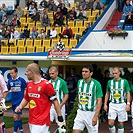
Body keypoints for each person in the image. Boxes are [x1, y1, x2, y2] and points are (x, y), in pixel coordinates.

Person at [15, 63, 65, 133]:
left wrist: (60, 116)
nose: (25, 73)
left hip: (42, 121)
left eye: (27, 71)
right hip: (32, 120)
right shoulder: (29, 84)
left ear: (32, 72)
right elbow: (26, 98)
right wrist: (20, 107)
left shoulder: (46, 85)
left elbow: (55, 101)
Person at [73, 64, 103, 133]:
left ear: (91, 73)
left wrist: (95, 116)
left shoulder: (96, 84)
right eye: (83, 71)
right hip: (80, 112)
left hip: (91, 113)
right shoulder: (79, 82)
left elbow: (99, 101)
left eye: (86, 71)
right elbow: (78, 96)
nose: (84, 73)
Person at [104, 67, 131, 133]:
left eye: (116, 73)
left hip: (122, 104)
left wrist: (128, 104)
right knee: (110, 123)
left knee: (120, 123)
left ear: (119, 73)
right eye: (113, 73)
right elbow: (107, 93)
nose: (114, 75)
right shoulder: (109, 82)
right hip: (112, 104)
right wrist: (105, 104)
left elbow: (128, 92)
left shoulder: (124, 82)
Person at [7, 67, 27, 133]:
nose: (11, 74)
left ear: (16, 73)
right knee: (18, 117)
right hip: (13, 101)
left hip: (20, 101)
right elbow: (7, 89)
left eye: (12, 73)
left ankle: (15, 131)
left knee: (15, 116)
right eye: (10, 73)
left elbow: (26, 88)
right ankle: (21, 130)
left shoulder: (21, 80)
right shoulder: (10, 81)